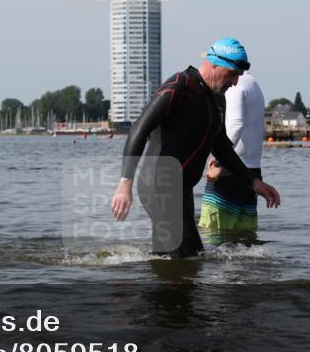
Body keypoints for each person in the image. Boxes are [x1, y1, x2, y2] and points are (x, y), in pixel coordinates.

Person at [111, 38, 281, 259]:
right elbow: (139, 129)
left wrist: (253, 181)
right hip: (159, 184)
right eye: (232, 74)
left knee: (170, 258)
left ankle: (154, 291)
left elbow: (222, 147)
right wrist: (125, 183)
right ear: (214, 64)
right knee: (190, 258)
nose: (236, 82)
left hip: (181, 188)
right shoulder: (179, 86)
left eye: (239, 75)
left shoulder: (217, 99)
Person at [198, 68, 273, 247]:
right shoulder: (254, 85)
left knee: (213, 239)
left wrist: (219, 161)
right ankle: (245, 276)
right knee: (245, 243)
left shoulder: (234, 86)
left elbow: (236, 125)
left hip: (230, 171)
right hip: (252, 172)